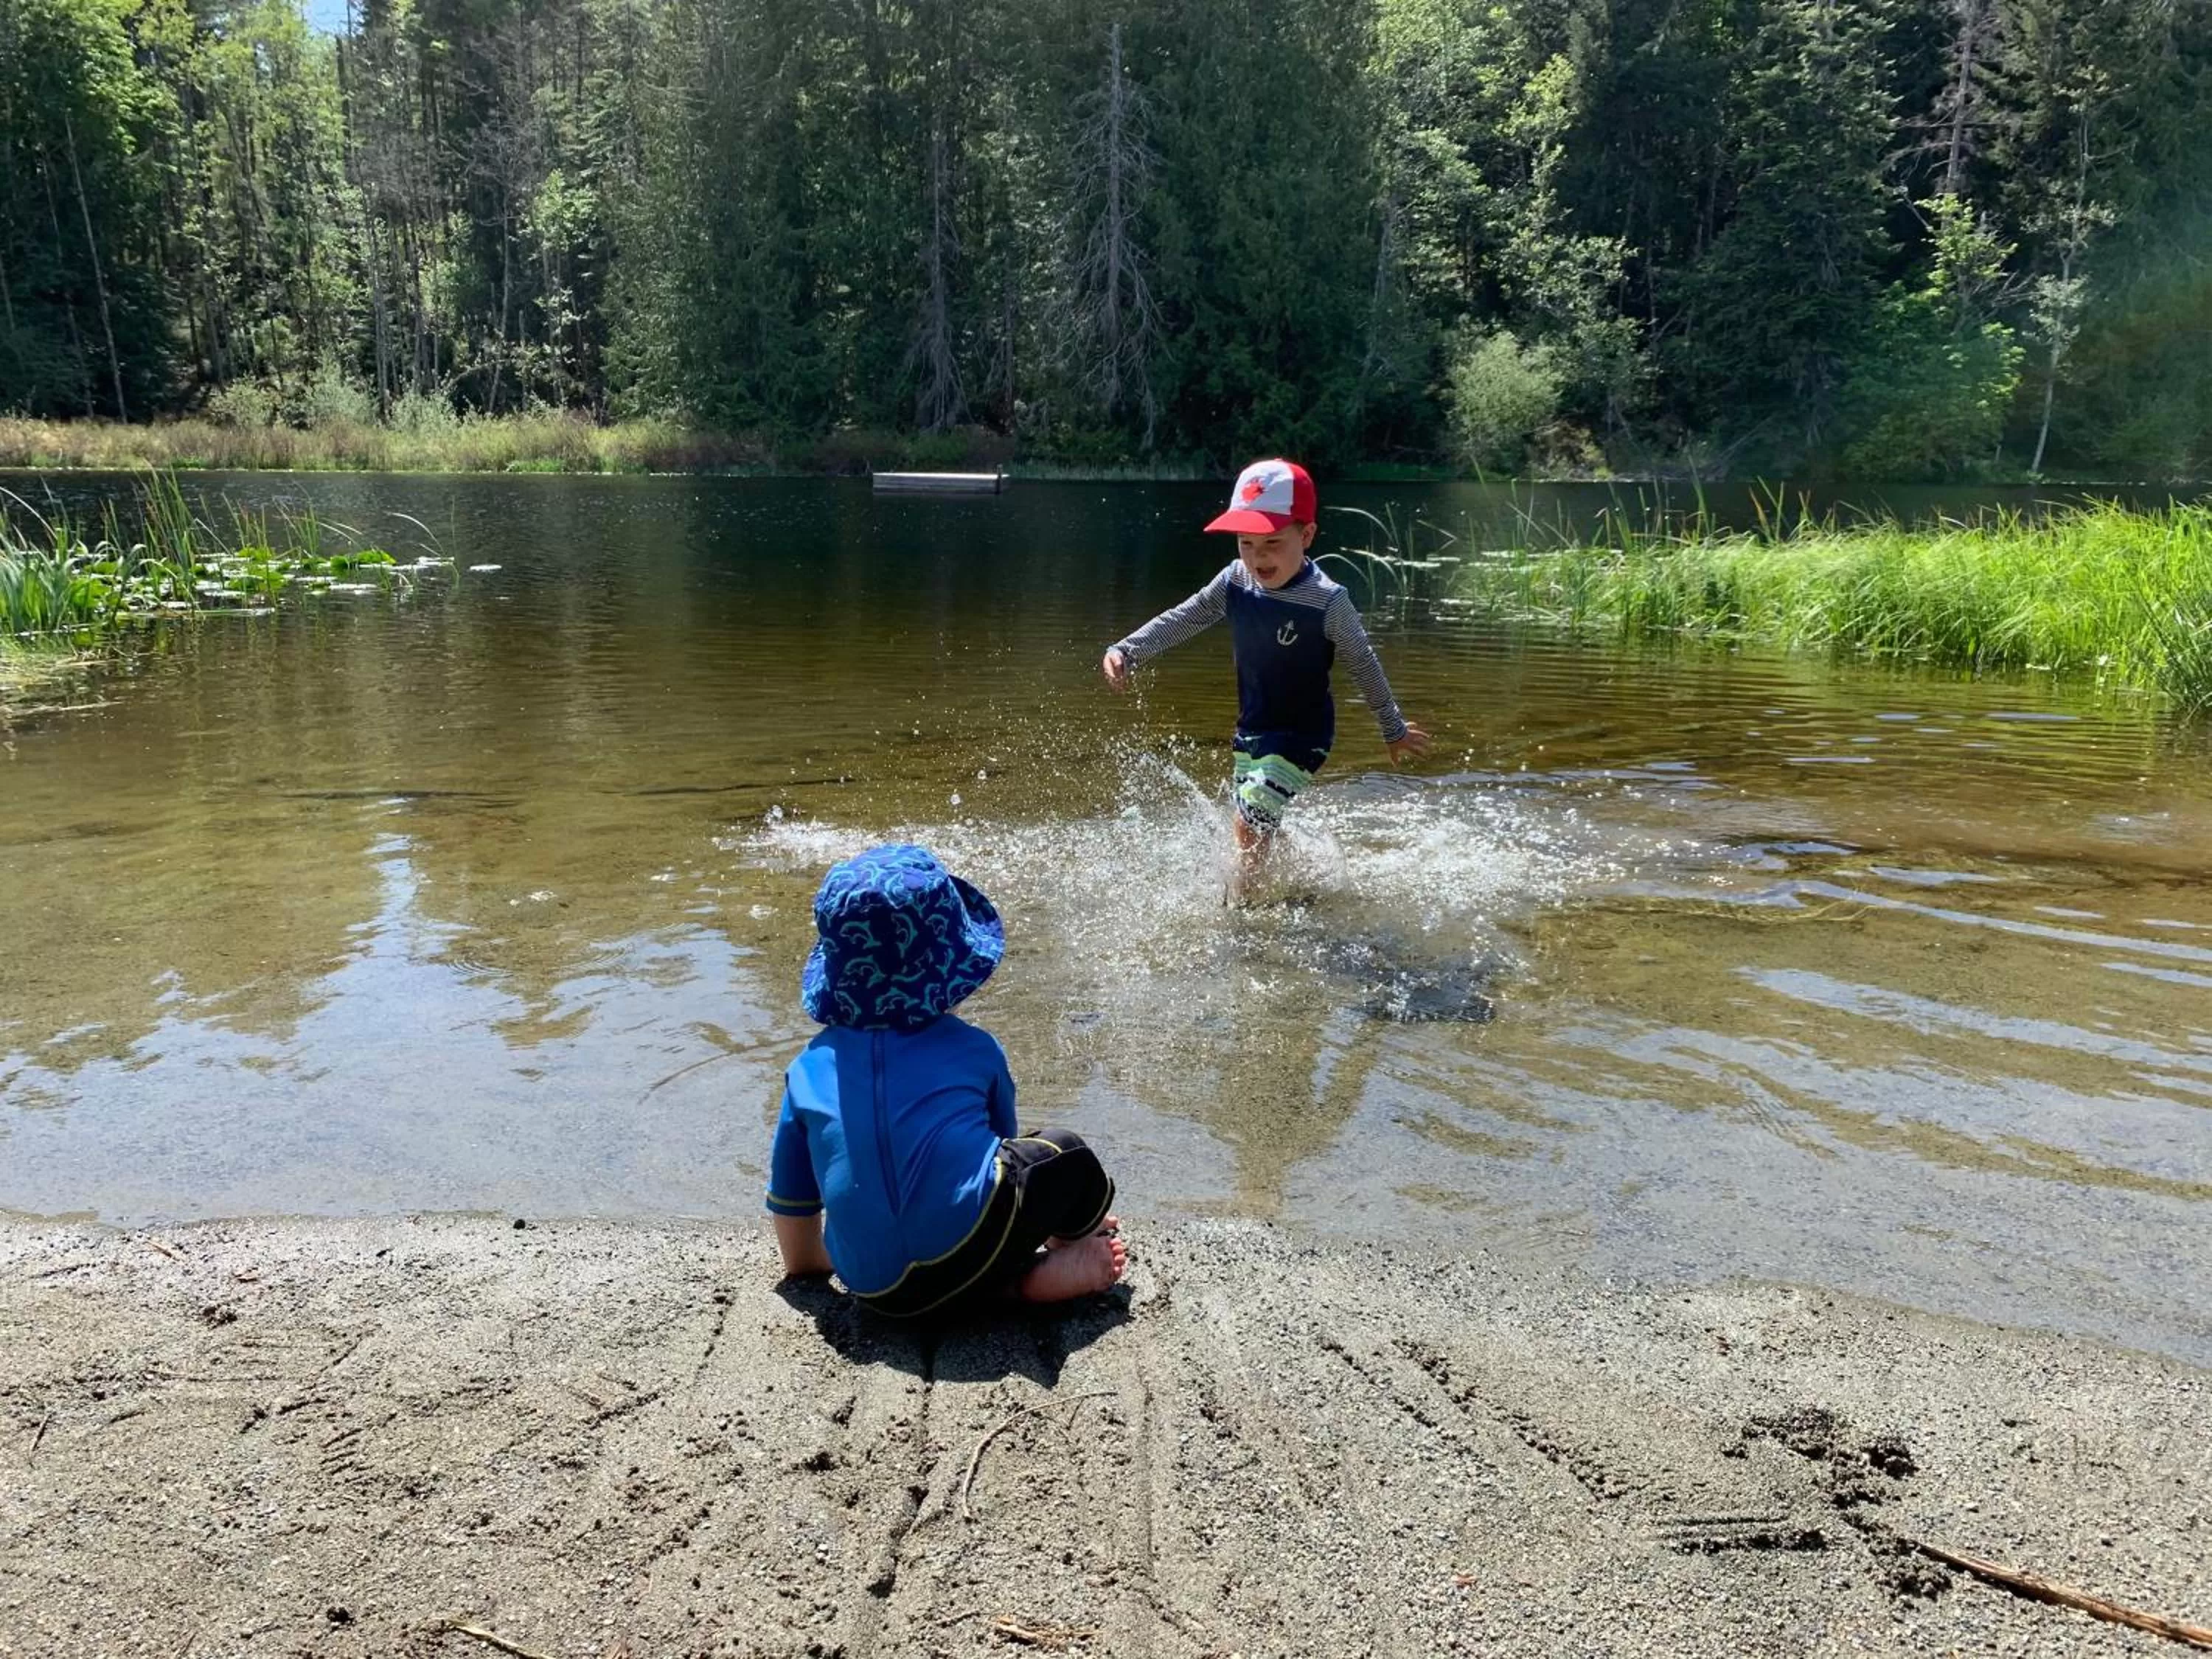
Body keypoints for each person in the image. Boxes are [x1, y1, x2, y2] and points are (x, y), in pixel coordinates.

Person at [765, 842, 1128, 1316]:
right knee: (1064, 1151)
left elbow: (792, 1206)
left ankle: (999, 1286)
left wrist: (825, 1262)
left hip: (874, 1290)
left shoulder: (805, 1070)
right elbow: (999, 1156)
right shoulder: (975, 1048)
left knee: (922, 1248)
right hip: (971, 1249)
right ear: (951, 969)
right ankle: (1066, 1244)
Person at [1102, 458, 1430, 889]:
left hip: (1303, 735)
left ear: (1306, 535)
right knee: (1256, 819)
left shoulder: (1328, 601)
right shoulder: (1235, 581)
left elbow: (1363, 661)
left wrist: (1393, 728)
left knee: (1251, 814)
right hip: (1252, 730)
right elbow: (1186, 616)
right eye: (1246, 543)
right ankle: (1304, 872)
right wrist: (1127, 650)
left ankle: (1246, 903)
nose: (1258, 557)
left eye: (1272, 542)